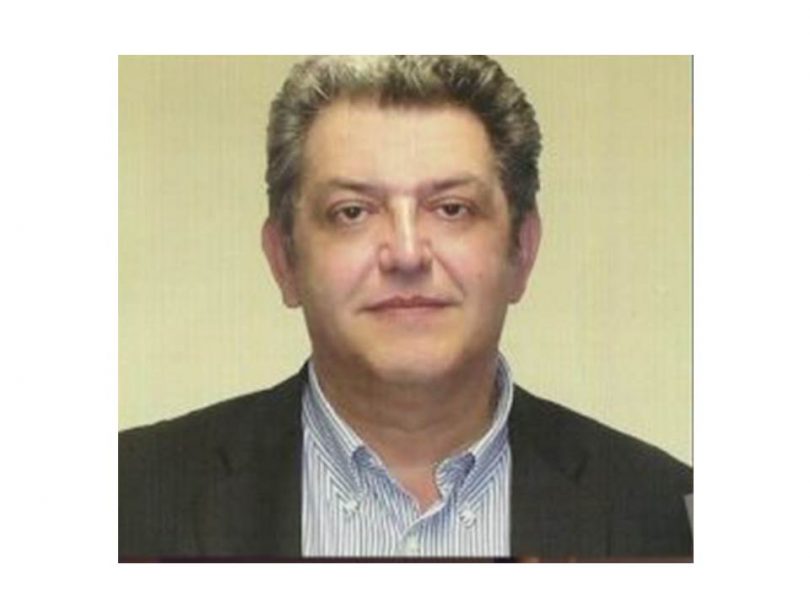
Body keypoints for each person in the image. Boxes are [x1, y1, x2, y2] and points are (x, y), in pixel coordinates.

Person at [119, 55, 692, 560]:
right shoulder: (126, 497)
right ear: (284, 260)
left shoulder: (669, 515)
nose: (408, 253)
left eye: (451, 209)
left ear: (521, 252)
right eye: (352, 212)